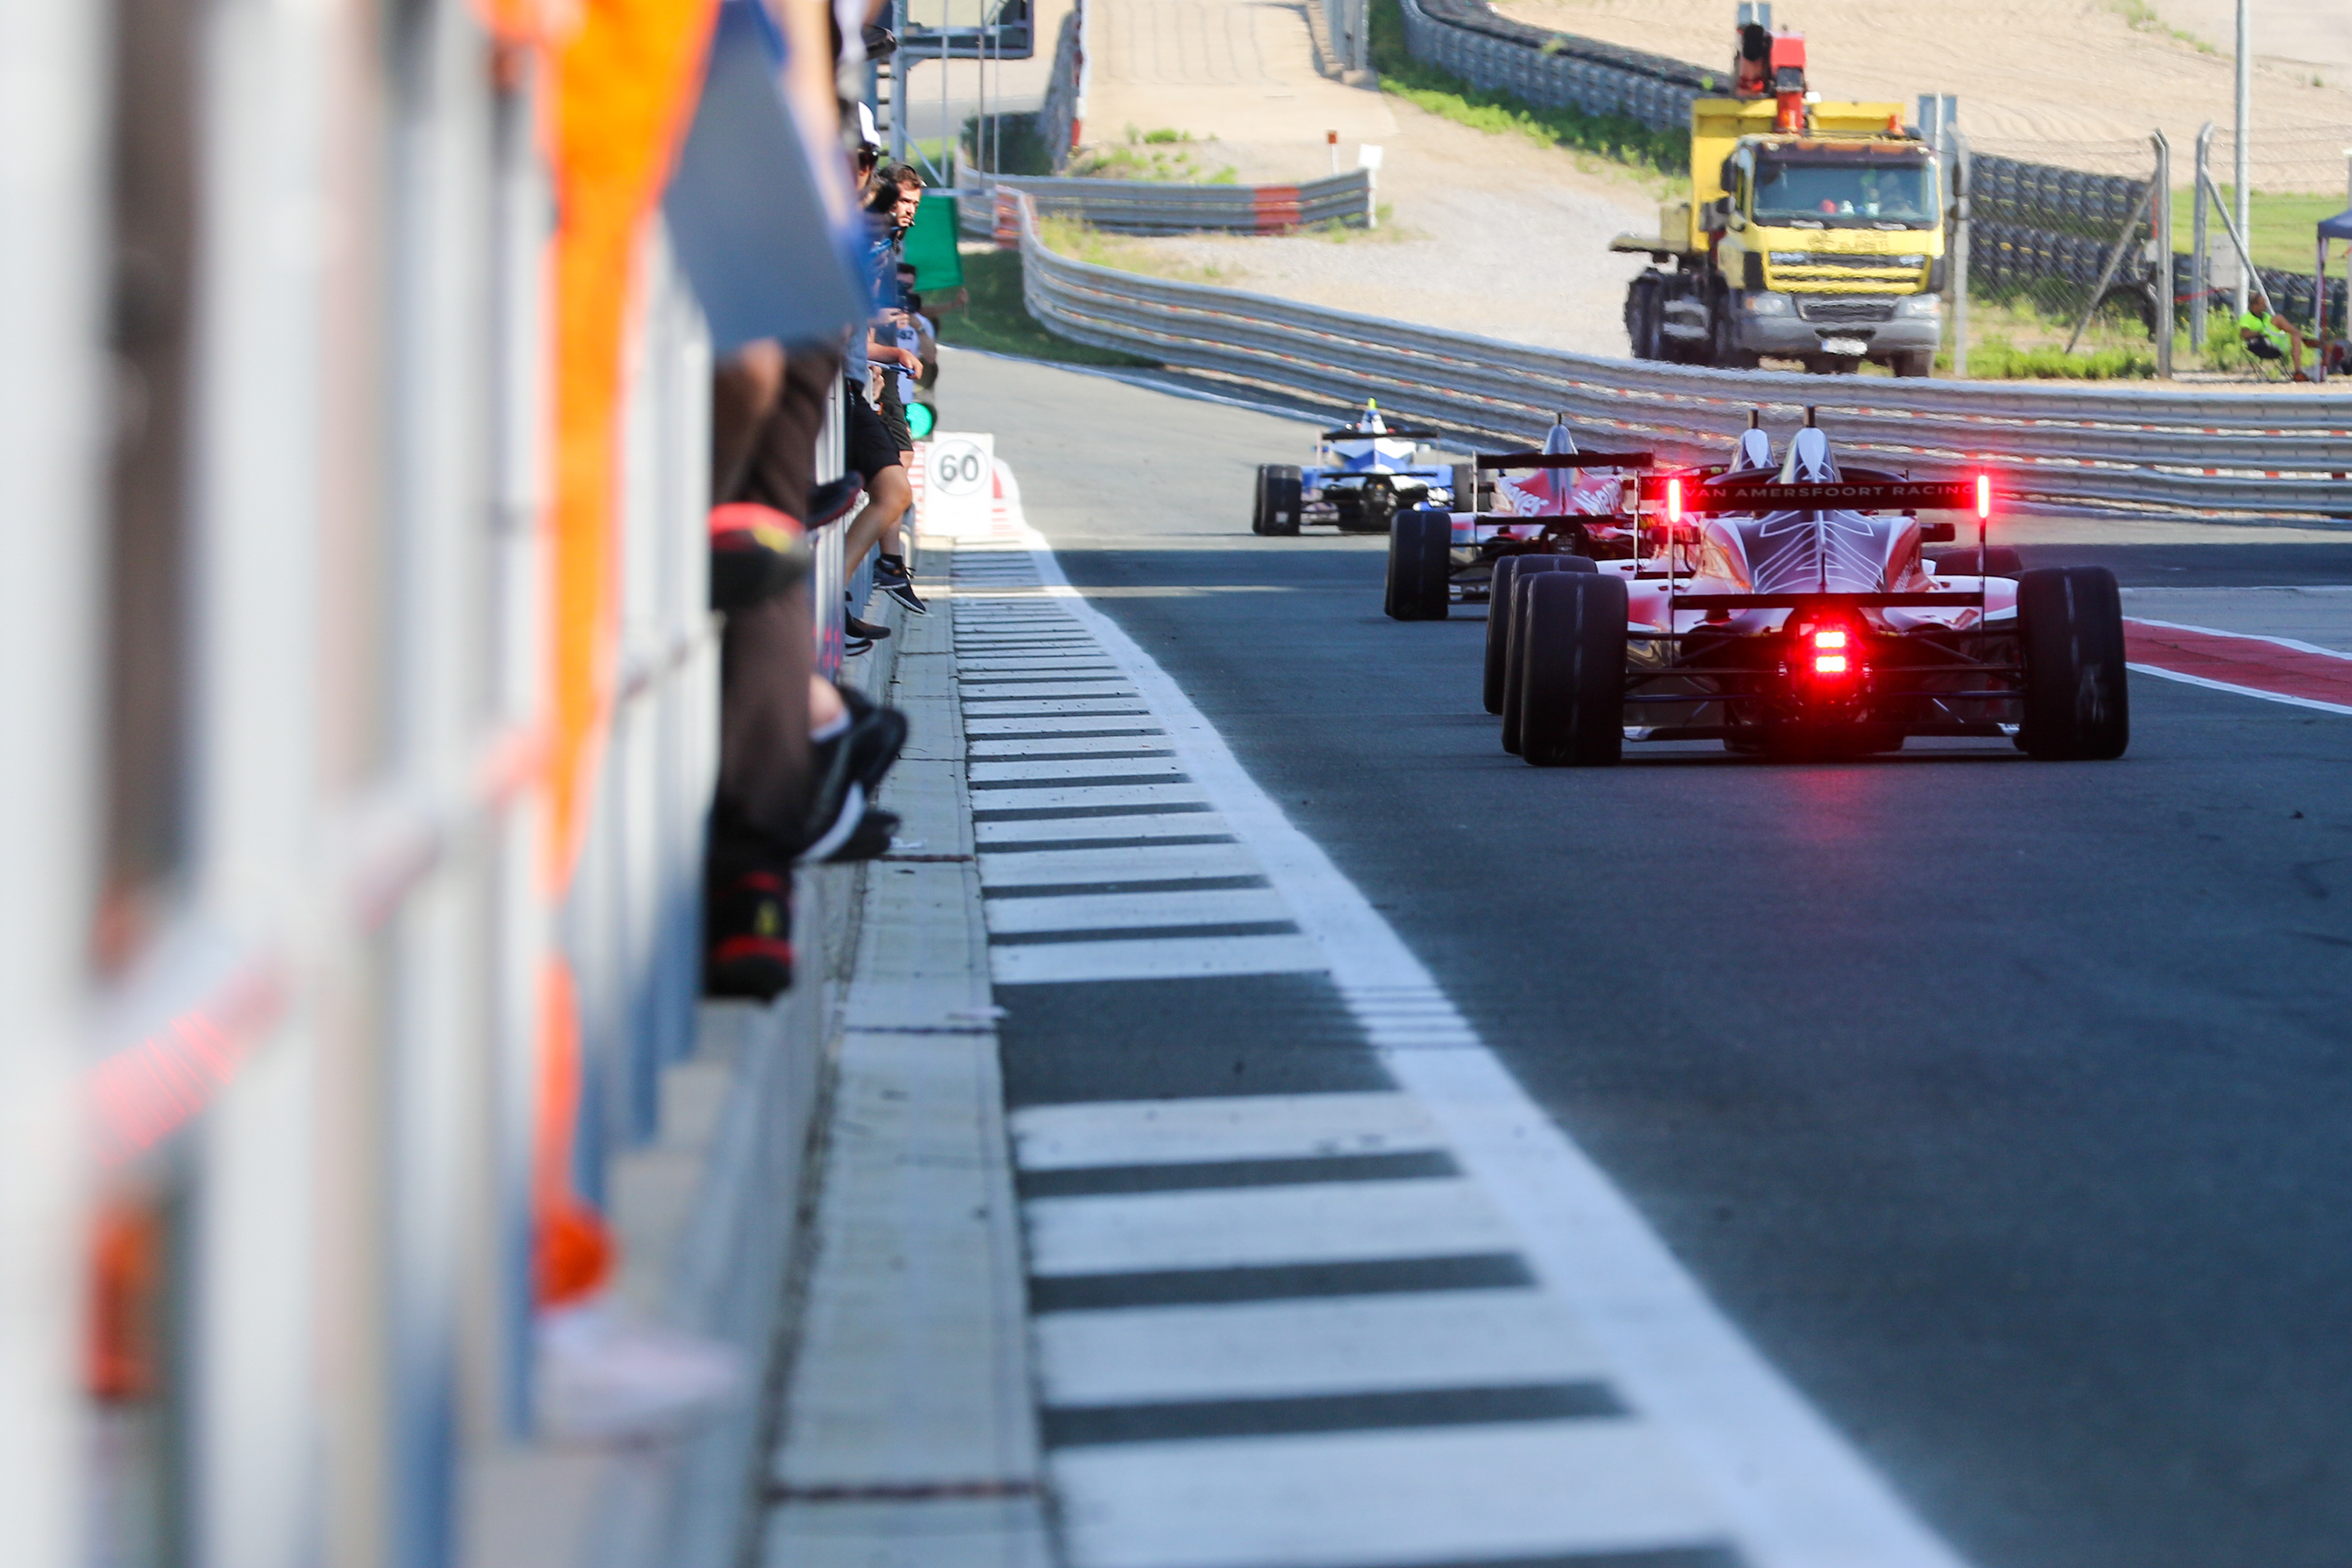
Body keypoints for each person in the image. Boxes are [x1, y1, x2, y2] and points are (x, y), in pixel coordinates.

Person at [2238, 291, 2309, 379]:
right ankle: (2305, 339)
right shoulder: (2247, 318)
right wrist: (2261, 331)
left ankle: (2298, 372)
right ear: (2255, 305)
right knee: (2278, 318)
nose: (2266, 306)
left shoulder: (2267, 316)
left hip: (2276, 343)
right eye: (2263, 304)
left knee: (2295, 337)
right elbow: (2244, 335)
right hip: (2261, 344)